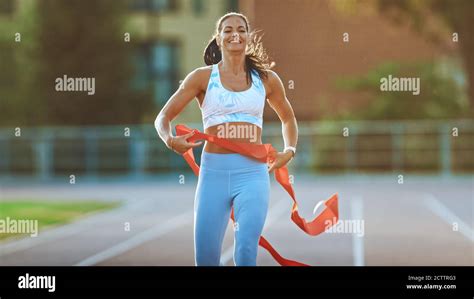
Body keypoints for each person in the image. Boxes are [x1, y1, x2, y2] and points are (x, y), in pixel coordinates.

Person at [155, 12, 298, 266]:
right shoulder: (201, 78)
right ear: (219, 39)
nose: (236, 34)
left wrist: (290, 149)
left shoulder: (266, 79)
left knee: (245, 253)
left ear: (248, 36)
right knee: (206, 259)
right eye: (228, 30)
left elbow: (288, 118)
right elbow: (163, 117)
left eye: (242, 29)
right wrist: (169, 140)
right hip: (214, 175)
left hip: (252, 175)